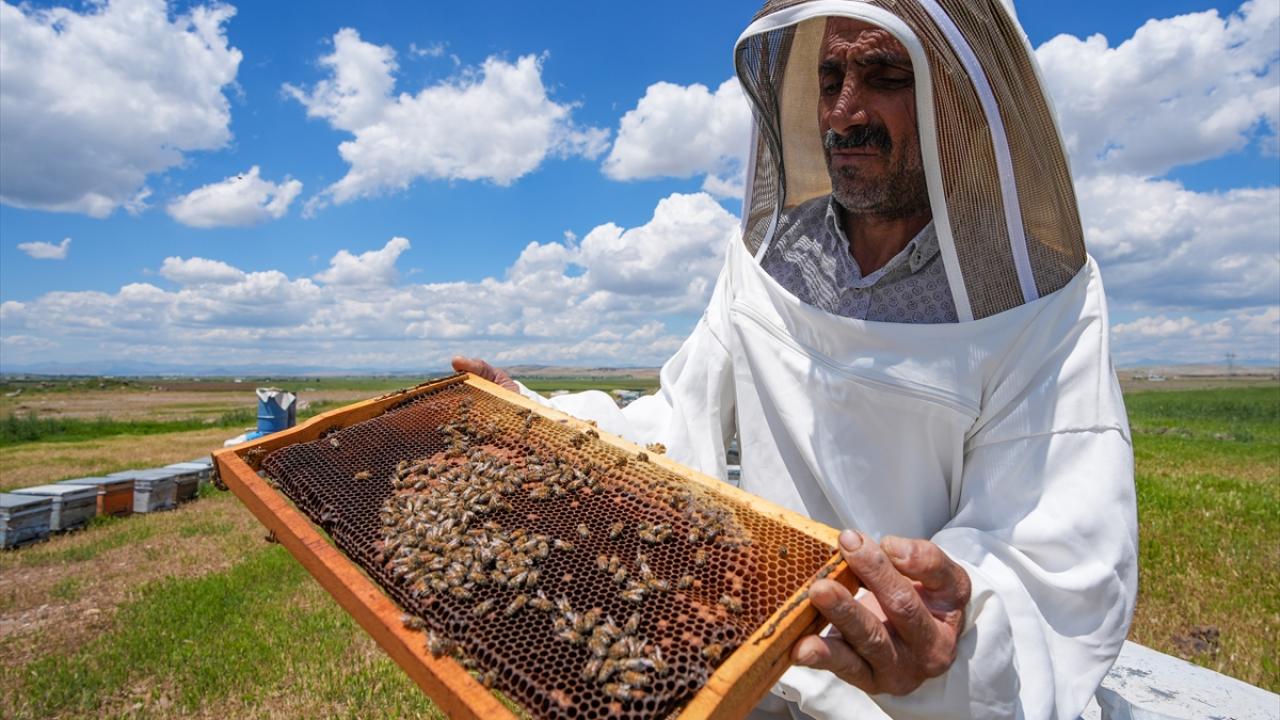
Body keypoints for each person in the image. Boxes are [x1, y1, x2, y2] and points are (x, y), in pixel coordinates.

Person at [456, 1, 1137, 717]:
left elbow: (1054, 539)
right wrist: (536, 423)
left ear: (956, 101)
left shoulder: (1033, 296)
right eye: (829, 75)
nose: (844, 112)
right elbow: (679, 418)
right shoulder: (771, 257)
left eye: (885, 74)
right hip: (751, 661)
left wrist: (957, 621)